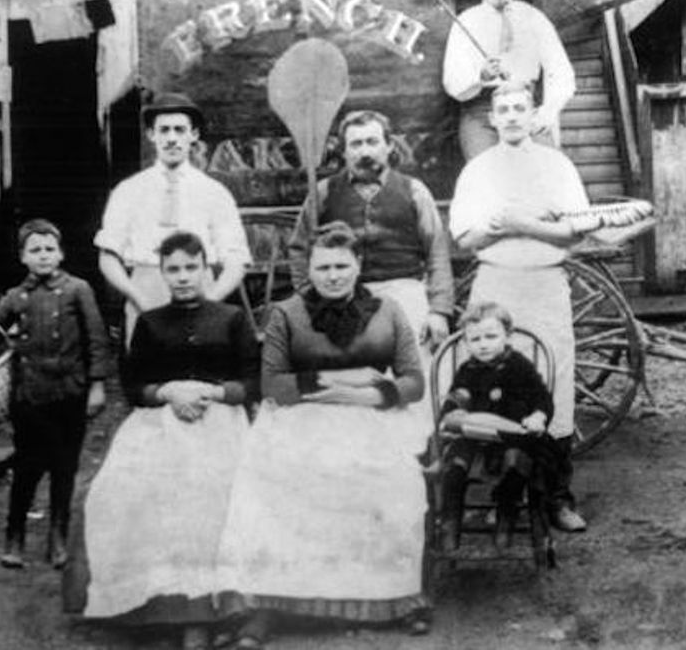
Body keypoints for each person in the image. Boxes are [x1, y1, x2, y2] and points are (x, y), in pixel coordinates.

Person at [217, 222, 431, 648]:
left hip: (372, 415)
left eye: (341, 265)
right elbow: (274, 383)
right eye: (323, 267)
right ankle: (269, 602)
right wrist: (340, 382)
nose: (333, 276)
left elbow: (413, 381)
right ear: (309, 269)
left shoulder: (388, 310)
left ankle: (394, 597)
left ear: (358, 266)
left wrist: (371, 394)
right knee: (275, 475)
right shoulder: (287, 313)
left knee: (389, 477)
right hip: (302, 414)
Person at [63, 231, 259, 650]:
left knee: (209, 496)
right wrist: (167, 392)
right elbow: (133, 385)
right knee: (120, 491)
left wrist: (213, 392)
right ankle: (156, 612)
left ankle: (206, 615)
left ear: (206, 269)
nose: (183, 277)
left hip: (220, 421)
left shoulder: (232, 319)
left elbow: (251, 381)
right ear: (164, 274)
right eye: (173, 270)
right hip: (159, 422)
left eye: (191, 268)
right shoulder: (150, 322)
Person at [448, 81, 594, 533]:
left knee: (554, 381)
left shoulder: (557, 166)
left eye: (519, 108)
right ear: (491, 118)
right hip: (496, 285)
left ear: (533, 116)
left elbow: (575, 232)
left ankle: (557, 498)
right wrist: (504, 227)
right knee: (493, 382)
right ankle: (499, 495)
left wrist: (518, 222)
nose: (511, 116)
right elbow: (467, 238)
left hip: (545, 284)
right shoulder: (477, 171)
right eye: (503, 109)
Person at [0, 218, 110, 569]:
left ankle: (58, 536)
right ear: (23, 257)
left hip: (70, 395)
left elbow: (97, 340)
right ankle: (15, 535)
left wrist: (96, 385)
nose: (44, 256)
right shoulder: (15, 297)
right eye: (35, 250)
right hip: (30, 399)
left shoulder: (79, 290)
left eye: (50, 249)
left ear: (61, 253)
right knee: (27, 468)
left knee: (65, 468)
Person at [287, 109, 453, 429]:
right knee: (351, 385)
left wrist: (440, 310)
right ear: (343, 150)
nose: (364, 151)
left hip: (404, 291)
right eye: (356, 143)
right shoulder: (323, 192)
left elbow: (437, 253)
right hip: (343, 297)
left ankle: (420, 450)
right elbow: (299, 248)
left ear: (389, 146)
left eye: (373, 142)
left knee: (416, 376)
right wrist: (311, 297)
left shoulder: (414, 191)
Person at [94, 92, 251, 343]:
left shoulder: (214, 192)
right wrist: (139, 298)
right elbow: (108, 256)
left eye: (179, 130)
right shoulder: (129, 190)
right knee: (148, 374)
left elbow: (237, 258)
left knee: (200, 372)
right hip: (146, 289)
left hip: (200, 290)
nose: (171, 139)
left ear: (194, 135)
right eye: (164, 130)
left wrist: (211, 301)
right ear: (150, 135)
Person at [437, 301, 556, 552]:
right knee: (454, 466)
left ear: (507, 335)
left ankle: (506, 515)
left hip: (512, 438)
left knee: (516, 464)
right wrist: (452, 414)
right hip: (474, 438)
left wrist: (538, 416)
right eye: (475, 339)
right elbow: (456, 398)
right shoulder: (467, 369)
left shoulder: (518, 365)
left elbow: (541, 397)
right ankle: (450, 522)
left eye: (491, 336)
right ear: (466, 342)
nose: (483, 344)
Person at [441, 0, 575, 161]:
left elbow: (560, 70)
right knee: (486, 175)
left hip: (526, 106)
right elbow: (451, 80)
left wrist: (548, 111)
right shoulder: (466, 22)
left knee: (546, 169)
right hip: (482, 111)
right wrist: (481, 75)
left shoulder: (533, 18)